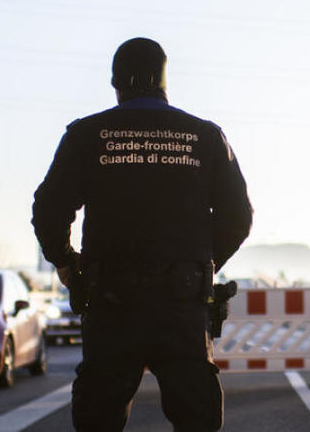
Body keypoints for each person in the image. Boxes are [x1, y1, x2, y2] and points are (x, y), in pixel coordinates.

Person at [32, 37, 252, 431]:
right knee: (197, 418)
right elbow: (238, 217)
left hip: (111, 301)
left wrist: (65, 262)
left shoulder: (86, 134)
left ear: (115, 82)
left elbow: (49, 210)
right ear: (164, 82)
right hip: (182, 303)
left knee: (98, 418)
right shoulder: (204, 136)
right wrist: (202, 263)